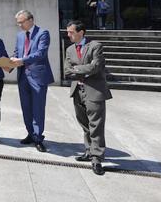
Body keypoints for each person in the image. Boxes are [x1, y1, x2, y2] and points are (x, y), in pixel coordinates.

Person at [64, 20, 113, 176]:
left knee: (96, 125)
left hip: (94, 91)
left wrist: (76, 69)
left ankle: (97, 158)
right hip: (77, 91)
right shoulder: (70, 49)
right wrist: (82, 70)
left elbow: (96, 66)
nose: (68, 35)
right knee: (84, 123)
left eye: (71, 32)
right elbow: (66, 71)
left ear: (81, 32)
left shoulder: (95, 46)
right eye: (68, 32)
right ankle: (88, 151)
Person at [10, 10, 53, 153]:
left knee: (38, 108)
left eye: (21, 22)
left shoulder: (43, 33)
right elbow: (17, 52)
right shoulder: (20, 36)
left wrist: (21, 60)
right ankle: (30, 133)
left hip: (38, 77)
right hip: (23, 76)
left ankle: (38, 138)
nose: (19, 25)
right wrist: (10, 60)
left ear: (31, 20)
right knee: (26, 107)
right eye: (18, 23)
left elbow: (41, 53)